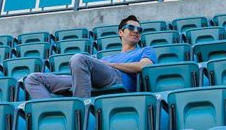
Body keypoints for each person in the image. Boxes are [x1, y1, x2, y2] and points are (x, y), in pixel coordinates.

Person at [24, 15, 156, 99]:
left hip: (117, 78)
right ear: (121, 32)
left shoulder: (145, 50)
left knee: (79, 58)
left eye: (139, 30)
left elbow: (144, 65)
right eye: (131, 27)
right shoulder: (109, 57)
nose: (136, 31)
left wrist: (110, 65)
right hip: (91, 80)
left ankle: (79, 110)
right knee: (33, 79)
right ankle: (51, 115)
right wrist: (105, 63)